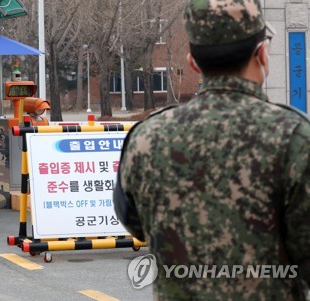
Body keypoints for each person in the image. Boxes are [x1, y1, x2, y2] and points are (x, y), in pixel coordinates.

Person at [114, 0, 309, 300]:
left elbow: (136, 222)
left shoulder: (146, 138)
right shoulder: (294, 137)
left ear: (193, 62)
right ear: (261, 53)